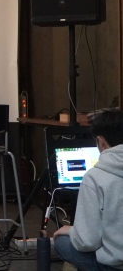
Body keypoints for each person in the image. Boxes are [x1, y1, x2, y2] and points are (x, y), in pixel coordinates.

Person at [53, 109, 123, 271]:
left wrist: (72, 231)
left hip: (114, 266)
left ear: (100, 141)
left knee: (61, 242)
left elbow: (87, 242)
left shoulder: (94, 177)